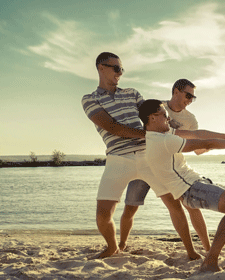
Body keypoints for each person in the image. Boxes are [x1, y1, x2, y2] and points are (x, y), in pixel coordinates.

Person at [82, 52, 208, 260]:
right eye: (115, 68)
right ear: (101, 68)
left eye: (121, 69)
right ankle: (112, 247)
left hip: (147, 154)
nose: (119, 73)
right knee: (103, 215)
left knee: (174, 205)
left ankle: (191, 251)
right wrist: (151, 133)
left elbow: (155, 114)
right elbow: (112, 127)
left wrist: (172, 126)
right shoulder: (90, 99)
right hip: (117, 157)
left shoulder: (132, 93)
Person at [139, 99, 225, 272]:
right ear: (153, 118)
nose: (169, 119)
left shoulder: (163, 135)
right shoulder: (161, 141)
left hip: (197, 182)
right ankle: (210, 260)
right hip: (190, 190)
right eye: (165, 116)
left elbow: (200, 134)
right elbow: (205, 143)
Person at [121, 78, 210, 252]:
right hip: (144, 162)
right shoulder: (157, 107)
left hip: (170, 169)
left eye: (193, 97)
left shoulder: (190, 119)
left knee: (188, 206)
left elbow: (197, 148)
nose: (190, 100)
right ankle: (121, 245)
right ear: (176, 91)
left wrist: (208, 145)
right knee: (131, 206)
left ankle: (206, 249)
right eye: (188, 95)